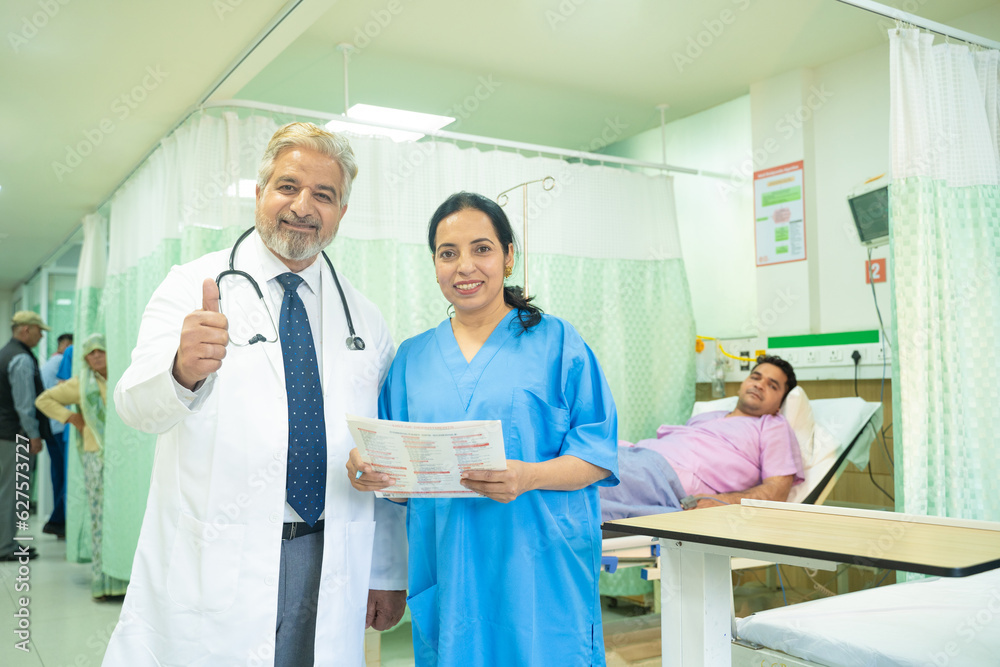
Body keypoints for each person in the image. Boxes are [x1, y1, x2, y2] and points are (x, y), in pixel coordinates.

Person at [102, 122, 407, 666]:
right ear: (260, 192)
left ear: (341, 211)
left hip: (330, 548)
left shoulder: (365, 318)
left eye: (324, 194)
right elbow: (133, 406)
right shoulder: (191, 285)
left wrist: (385, 570)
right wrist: (181, 370)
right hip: (220, 554)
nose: (303, 206)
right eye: (288, 186)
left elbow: (380, 452)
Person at [348, 192, 620, 666]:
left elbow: (597, 455)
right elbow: (396, 472)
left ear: (509, 256)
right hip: (449, 567)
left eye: (482, 249)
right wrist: (371, 475)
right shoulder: (412, 358)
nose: (464, 266)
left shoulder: (557, 342)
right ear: (434, 265)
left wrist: (528, 476)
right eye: (447, 253)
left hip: (538, 564)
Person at [600, 355, 804, 521]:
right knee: (582, 456)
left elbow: (777, 491)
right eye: (756, 377)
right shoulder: (707, 417)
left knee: (589, 473)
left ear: (779, 405)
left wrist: (721, 501)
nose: (759, 385)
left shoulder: (773, 425)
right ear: (743, 384)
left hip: (667, 480)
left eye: (772, 385)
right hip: (641, 459)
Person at [36, 334, 129, 599]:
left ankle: (127, 576)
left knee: (122, 513)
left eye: (101, 350)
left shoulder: (123, 377)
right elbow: (44, 400)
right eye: (91, 353)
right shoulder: (81, 383)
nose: (96, 356)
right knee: (101, 515)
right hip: (95, 455)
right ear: (85, 358)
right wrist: (71, 417)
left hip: (124, 457)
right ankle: (104, 579)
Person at [0, 311, 51, 561]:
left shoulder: (6, 352)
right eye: (39, 330)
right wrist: (33, 434)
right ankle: (5, 547)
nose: (42, 336)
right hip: (14, 436)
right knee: (12, 492)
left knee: (6, 490)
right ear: (25, 330)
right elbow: (24, 404)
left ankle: (6, 540)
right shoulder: (21, 359)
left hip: (5, 433)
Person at [39, 331, 72, 538]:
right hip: (61, 426)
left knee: (58, 475)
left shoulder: (48, 363)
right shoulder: (61, 361)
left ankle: (58, 522)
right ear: (67, 345)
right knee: (67, 476)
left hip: (50, 426)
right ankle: (57, 520)